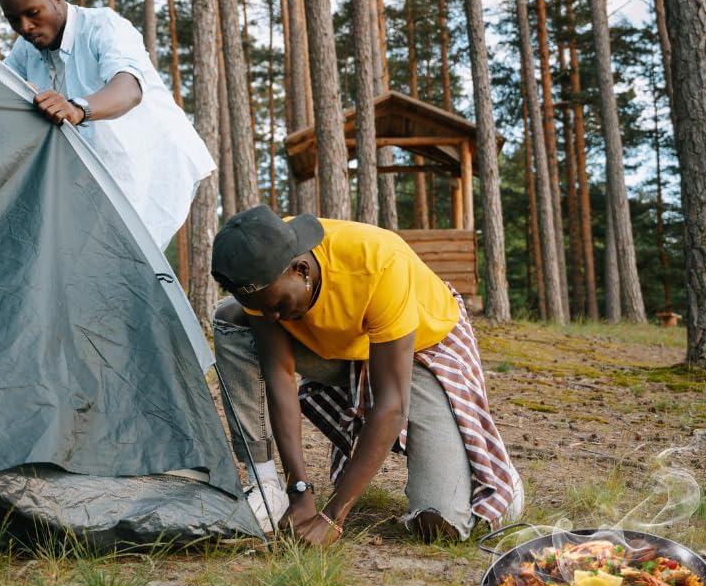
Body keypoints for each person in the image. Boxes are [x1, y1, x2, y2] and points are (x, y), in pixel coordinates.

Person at [211, 206, 523, 546]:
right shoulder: (258, 262)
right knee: (231, 318)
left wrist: (332, 516)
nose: (271, 317)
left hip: (420, 351)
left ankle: (493, 472)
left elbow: (391, 404)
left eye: (279, 306)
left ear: (301, 269)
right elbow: (280, 377)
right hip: (346, 350)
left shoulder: (379, 262)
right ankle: (266, 484)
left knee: (440, 525)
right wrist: (299, 491)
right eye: (263, 308)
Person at [0, 0, 214, 250]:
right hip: (94, 182)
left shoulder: (104, 26)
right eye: (13, 19)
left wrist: (77, 109)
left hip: (152, 171)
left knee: (132, 272)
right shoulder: (25, 48)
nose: (25, 27)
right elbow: (1, 88)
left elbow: (129, 88)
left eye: (32, 13)